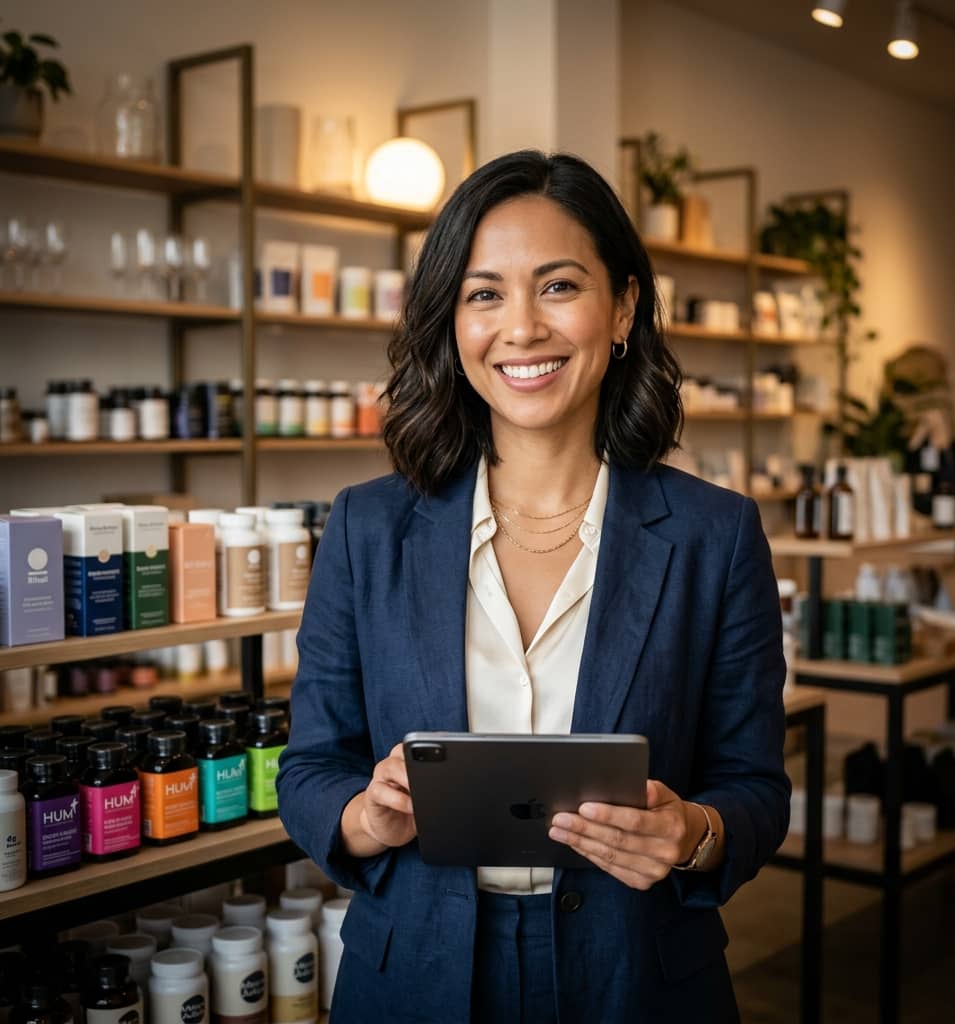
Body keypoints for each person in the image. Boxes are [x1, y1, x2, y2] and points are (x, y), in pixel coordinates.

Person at [277, 150, 789, 1023]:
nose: (521, 328)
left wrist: (692, 834)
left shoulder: (715, 533)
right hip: (417, 973)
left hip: (637, 976)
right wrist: (366, 816)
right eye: (484, 294)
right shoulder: (369, 529)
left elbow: (755, 786)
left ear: (622, 306)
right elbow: (310, 766)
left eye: (558, 286)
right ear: (451, 322)